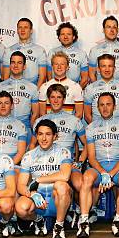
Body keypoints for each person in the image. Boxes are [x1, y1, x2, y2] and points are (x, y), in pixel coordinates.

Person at [77, 93, 119, 238]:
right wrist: (103, 173)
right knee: (87, 178)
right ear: (97, 108)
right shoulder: (91, 128)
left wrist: (111, 173)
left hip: (118, 166)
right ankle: (84, 221)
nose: (105, 108)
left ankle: (118, 220)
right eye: (102, 105)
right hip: (98, 166)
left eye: (108, 104)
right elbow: (91, 157)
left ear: (114, 106)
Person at [30, 84, 87, 225]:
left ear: (64, 99)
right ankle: (37, 214)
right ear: (48, 99)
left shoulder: (74, 120)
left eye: (59, 97)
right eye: (52, 97)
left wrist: (79, 162)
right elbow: (32, 145)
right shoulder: (40, 121)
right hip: (44, 164)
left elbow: (87, 145)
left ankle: (79, 211)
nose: (55, 101)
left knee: (80, 184)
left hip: (67, 164)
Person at [15, 119, 73, 238]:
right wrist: (32, 193)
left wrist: (38, 180)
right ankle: (38, 220)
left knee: (61, 185)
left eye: (48, 134)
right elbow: (21, 185)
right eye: (40, 134)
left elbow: (65, 176)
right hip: (37, 198)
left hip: (57, 198)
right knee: (21, 208)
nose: (44, 138)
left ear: (55, 136)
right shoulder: (29, 156)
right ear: (36, 136)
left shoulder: (64, 152)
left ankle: (59, 226)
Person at [0, 51, 39, 135]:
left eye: (19, 63)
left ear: (24, 66)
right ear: (10, 65)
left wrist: (32, 133)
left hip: (26, 128)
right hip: (5, 130)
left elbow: (35, 114)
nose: (16, 65)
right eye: (13, 62)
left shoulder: (32, 87)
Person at [84, 53, 119, 124]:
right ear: (98, 69)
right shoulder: (89, 89)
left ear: (114, 68)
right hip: (97, 131)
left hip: (118, 131)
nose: (107, 69)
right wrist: (96, 129)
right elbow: (87, 115)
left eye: (110, 66)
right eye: (103, 66)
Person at [88, 16, 119, 86]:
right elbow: (91, 74)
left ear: (117, 30)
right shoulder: (94, 50)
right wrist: (97, 90)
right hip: (100, 91)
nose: (112, 30)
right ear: (103, 30)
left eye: (114, 27)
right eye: (108, 27)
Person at [0, 91, 27, 166]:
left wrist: (9, 166)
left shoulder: (20, 125)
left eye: (6, 103)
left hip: (12, 164)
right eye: (0, 103)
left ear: (12, 106)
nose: (3, 106)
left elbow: (21, 152)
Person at [2, 17, 47, 87]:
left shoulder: (40, 50)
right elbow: (5, 76)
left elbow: (43, 76)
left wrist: (35, 92)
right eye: (20, 27)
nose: (22, 30)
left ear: (31, 30)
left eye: (26, 27)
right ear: (17, 30)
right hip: (13, 90)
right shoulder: (8, 51)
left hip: (33, 91)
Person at [38, 52, 84, 119]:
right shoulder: (44, 87)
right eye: (56, 64)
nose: (59, 67)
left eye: (62, 64)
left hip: (69, 127)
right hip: (50, 127)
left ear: (67, 67)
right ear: (52, 67)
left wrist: (67, 127)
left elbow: (79, 114)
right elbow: (42, 114)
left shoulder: (76, 87)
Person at [47, 22, 89, 88]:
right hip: (55, 92)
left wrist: (76, 92)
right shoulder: (52, 52)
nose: (65, 37)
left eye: (69, 34)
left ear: (73, 37)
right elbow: (49, 75)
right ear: (59, 37)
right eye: (62, 34)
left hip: (74, 92)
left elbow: (85, 78)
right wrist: (54, 90)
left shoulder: (82, 54)